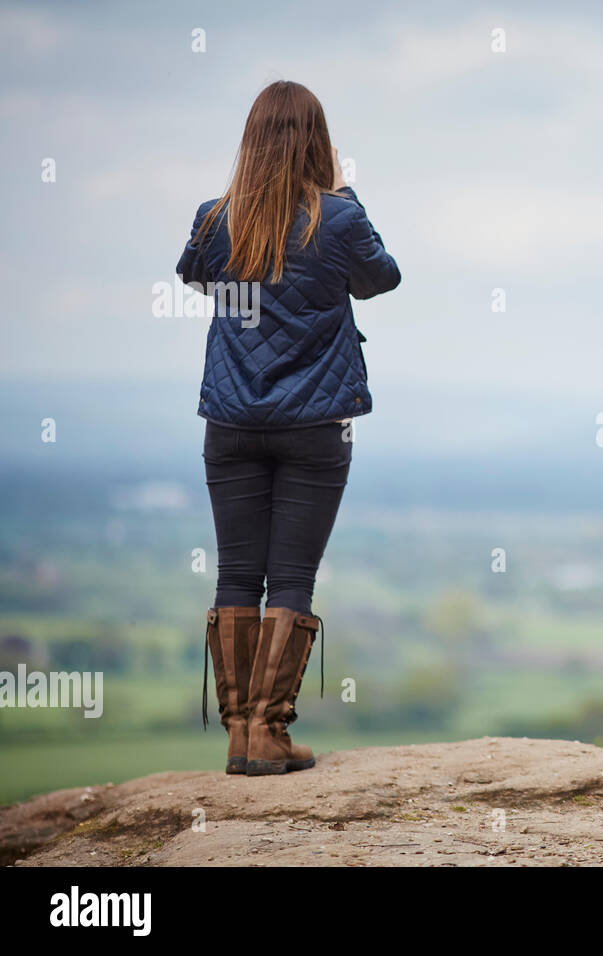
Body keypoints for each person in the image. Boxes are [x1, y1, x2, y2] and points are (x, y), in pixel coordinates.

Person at [177, 80, 400, 775]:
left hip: (231, 422)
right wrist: (343, 190)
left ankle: (242, 736)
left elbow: (192, 275)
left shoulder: (217, 219)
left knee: (238, 573)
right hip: (314, 426)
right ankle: (269, 735)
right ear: (317, 144)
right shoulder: (337, 219)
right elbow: (381, 279)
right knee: (291, 579)